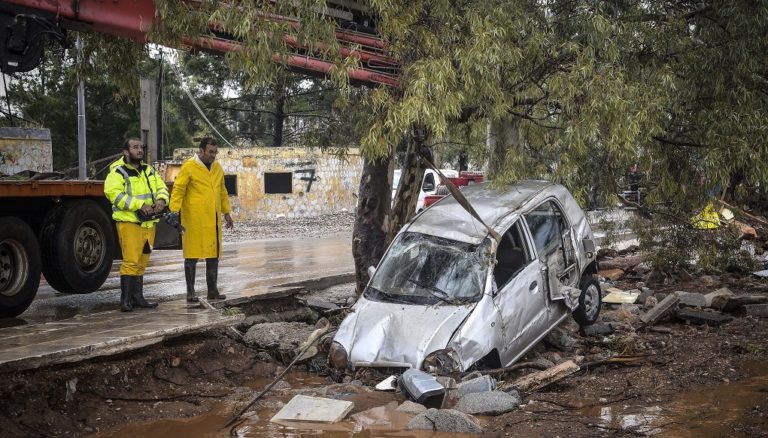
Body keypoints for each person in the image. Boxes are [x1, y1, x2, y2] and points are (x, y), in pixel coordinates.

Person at [104, 138, 169, 311]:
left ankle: (138, 297)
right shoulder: (118, 173)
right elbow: (114, 195)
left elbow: (162, 187)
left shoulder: (148, 170)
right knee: (131, 260)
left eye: (141, 147)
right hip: (130, 223)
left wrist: (162, 200)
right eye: (135, 147)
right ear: (125, 152)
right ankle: (125, 301)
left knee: (142, 260)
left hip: (148, 223)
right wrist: (139, 205)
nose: (139, 150)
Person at [169, 137, 234, 303]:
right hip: (194, 219)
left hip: (212, 219)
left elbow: (222, 192)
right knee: (192, 255)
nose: (213, 155)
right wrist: (174, 210)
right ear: (201, 150)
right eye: (210, 152)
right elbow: (179, 189)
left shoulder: (217, 168)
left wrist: (227, 212)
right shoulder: (189, 166)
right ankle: (190, 292)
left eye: (215, 152)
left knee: (213, 254)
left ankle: (212, 290)